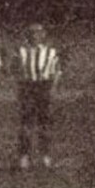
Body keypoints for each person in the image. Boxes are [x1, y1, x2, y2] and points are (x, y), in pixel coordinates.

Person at [15, 24, 60, 169]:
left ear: (43, 35)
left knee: (44, 123)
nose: (35, 36)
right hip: (28, 87)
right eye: (33, 33)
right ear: (29, 35)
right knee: (26, 123)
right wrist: (20, 89)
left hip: (44, 86)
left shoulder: (50, 52)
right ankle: (24, 156)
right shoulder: (22, 51)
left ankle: (45, 155)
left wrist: (52, 89)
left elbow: (56, 72)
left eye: (38, 33)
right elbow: (15, 71)